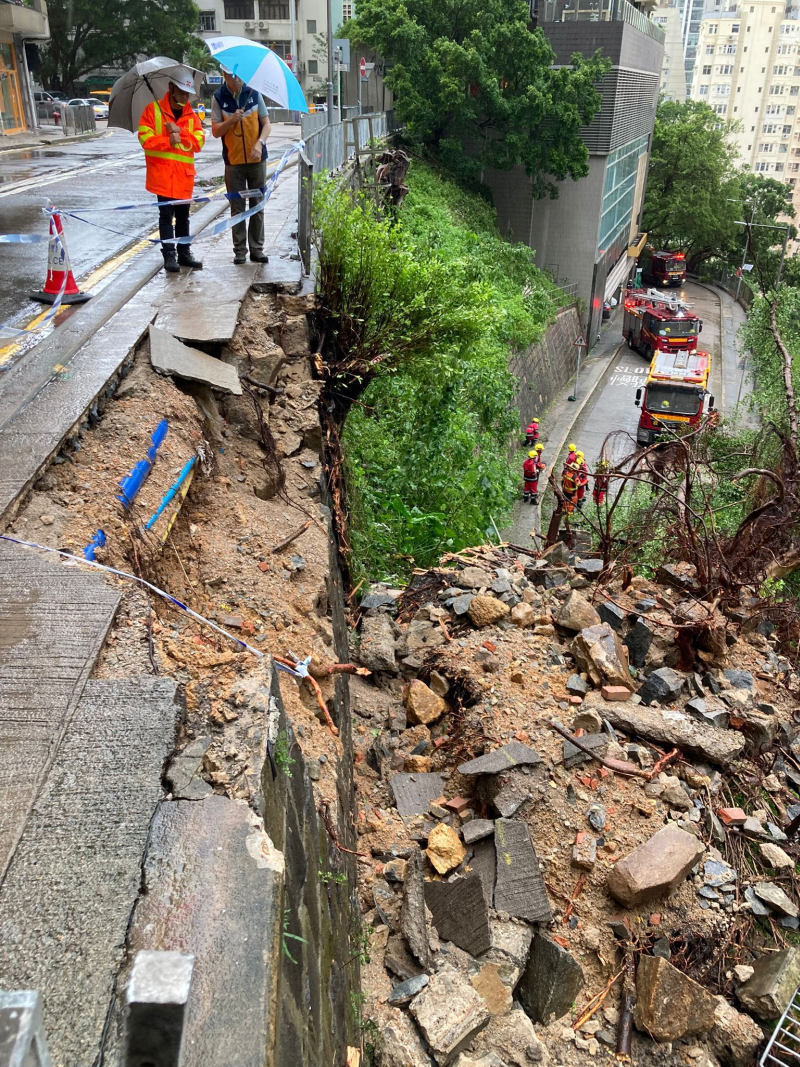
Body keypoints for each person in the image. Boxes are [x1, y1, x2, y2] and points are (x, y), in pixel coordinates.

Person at [138, 68, 205, 273]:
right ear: (171, 88)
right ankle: (169, 255)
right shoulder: (153, 110)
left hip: (183, 177)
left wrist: (181, 132)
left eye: (188, 93)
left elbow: (199, 141)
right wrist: (168, 140)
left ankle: (184, 252)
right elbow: (144, 139)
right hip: (163, 176)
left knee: (184, 216)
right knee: (166, 216)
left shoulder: (191, 115)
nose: (186, 97)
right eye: (182, 92)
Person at [211, 66, 272, 265]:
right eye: (230, 75)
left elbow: (266, 124)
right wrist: (231, 121)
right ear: (224, 75)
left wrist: (259, 143)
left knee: (257, 206)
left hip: (256, 160)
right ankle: (239, 251)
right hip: (234, 162)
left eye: (238, 75)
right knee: (237, 208)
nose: (236, 79)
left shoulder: (254, 93)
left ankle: (257, 249)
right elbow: (215, 131)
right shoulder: (218, 97)